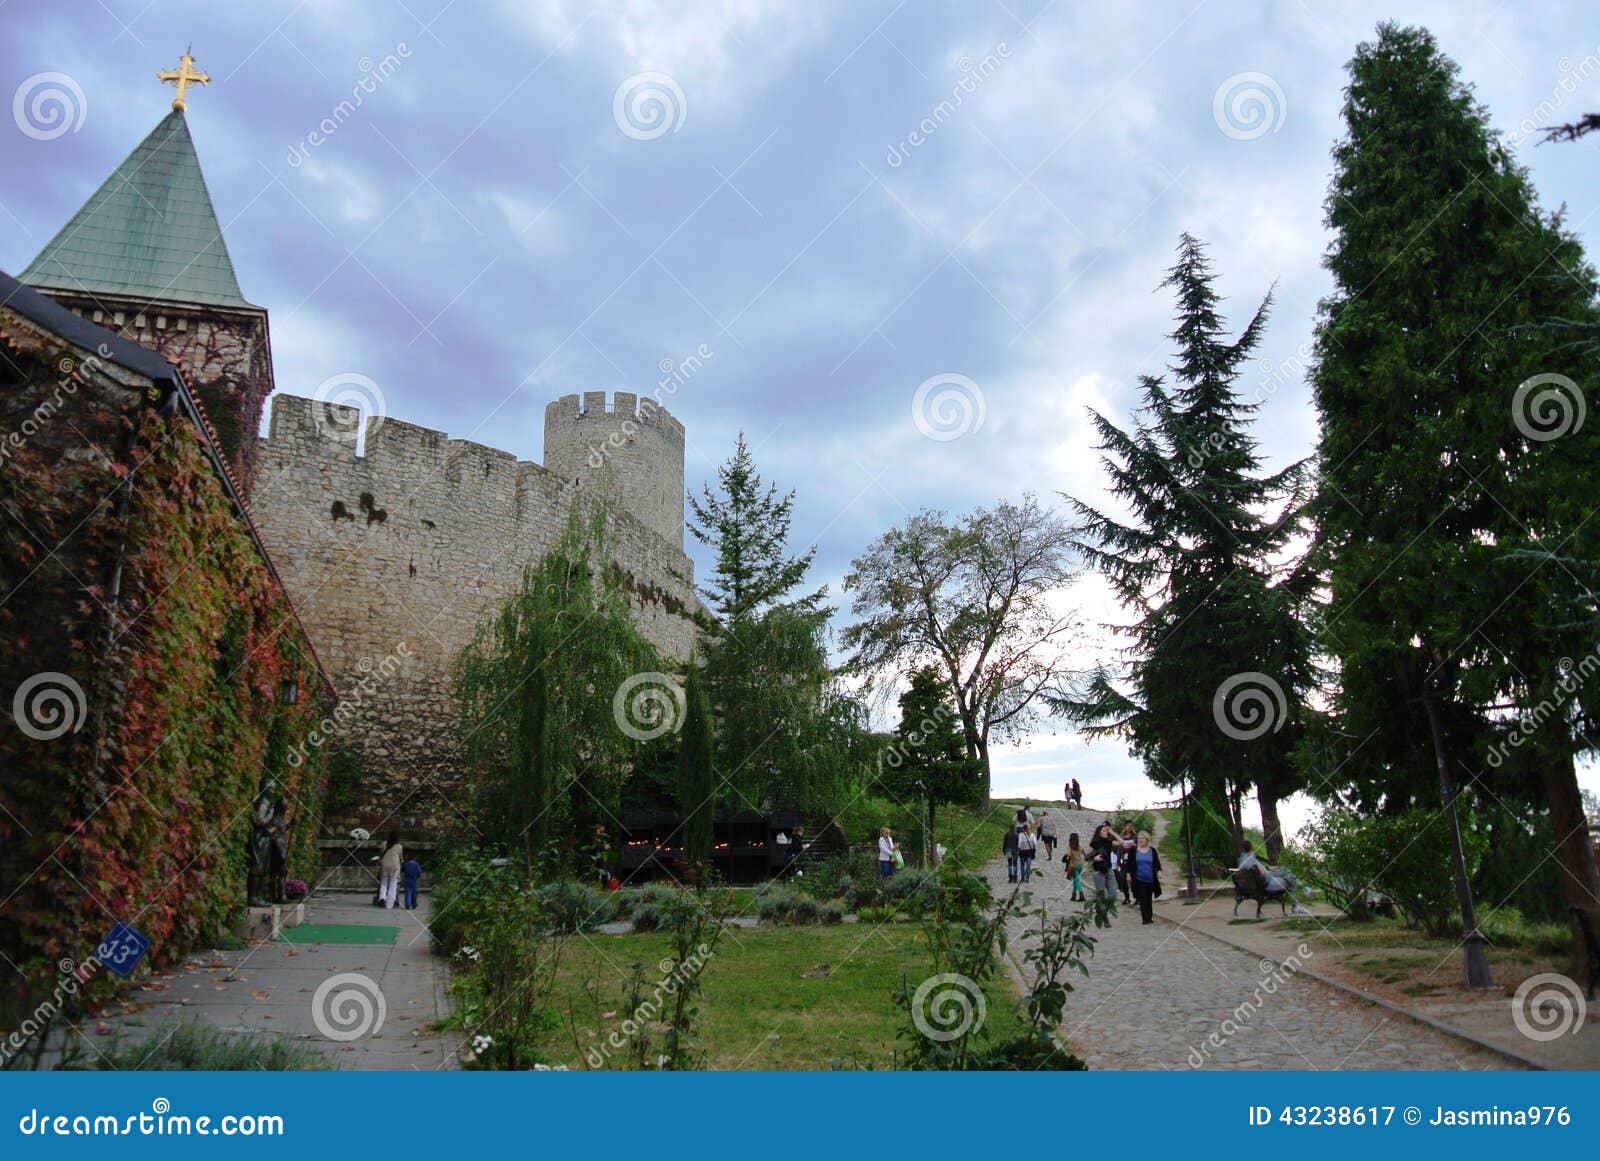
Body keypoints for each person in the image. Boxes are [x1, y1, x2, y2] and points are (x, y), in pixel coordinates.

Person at [1238, 844, 1310, 914]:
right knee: (1289, 880)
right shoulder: (1251, 859)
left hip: (1262, 881)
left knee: (1284, 871)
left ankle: (1304, 891)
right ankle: (1299, 900)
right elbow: (1262, 873)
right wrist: (1267, 870)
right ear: (1251, 848)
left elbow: (1257, 870)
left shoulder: (1242, 860)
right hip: (1267, 883)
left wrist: (1268, 868)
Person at [1129, 831, 1162, 924]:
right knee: (1143, 898)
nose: (1140, 840)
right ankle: (1145, 918)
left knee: (1148, 898)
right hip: (1139, 878)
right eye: (1139, 838)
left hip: (1150, 878)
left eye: (1142, 838)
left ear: (1147, 840)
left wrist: (1159, 871)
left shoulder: (1152, 850)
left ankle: (1150, 917)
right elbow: (1129, 864)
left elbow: (1157, 863)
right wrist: (1128, 875)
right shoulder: (1133, 850)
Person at [1088, 823, 1117, 902]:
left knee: (1113, 895)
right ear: (1099, 832)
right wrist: (1094, 858)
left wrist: (1112, 832)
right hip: (1098, 871)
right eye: (1104, 831)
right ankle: (1102, 913)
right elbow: (1088, 857)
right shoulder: (1094, 843)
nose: (1106, 832)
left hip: (1109, 869)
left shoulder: (1109, 842)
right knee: (1101, 896)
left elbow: (1121, 842)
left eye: (1106, 831)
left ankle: (1107, 908)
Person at [378, 835, 403, 909]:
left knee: (383, 883)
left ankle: (382, 898)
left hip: (385, 865)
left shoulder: (384, 844)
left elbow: (381, 853)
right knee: (393, 885)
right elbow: (401, 857)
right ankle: (390, 904)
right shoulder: (399, 846)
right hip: (395, 866)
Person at [1117, 821, 1137, 905]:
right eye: (1127, 825)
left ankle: (1137, 897)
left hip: (1133, 861)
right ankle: (1126, 897)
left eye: (1131, 825)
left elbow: (1137, 845)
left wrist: (1132, 844)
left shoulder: (1135, 836)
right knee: (1123, 880)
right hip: (1124, 861)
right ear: (1125, 826)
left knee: (1133, 880)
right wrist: (1118, 861)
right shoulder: (1122, 836)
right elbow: (1119, 850)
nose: (1129, 827)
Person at [1066, 833, 1086, 901]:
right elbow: (1085, 855)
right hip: (1080, 865)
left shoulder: (1070, 847)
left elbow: (1068, 855)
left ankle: (1081, 895)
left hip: (1074, 866)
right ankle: (1073, 896)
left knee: (1077, 881)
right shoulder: (1080, 846)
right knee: (1075, 880)